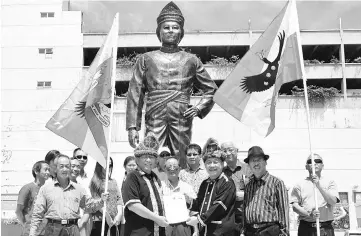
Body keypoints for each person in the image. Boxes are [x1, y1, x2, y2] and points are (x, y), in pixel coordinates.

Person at [126, 1, 218, 168]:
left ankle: (182, 186)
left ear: (181, 32)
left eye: (175, 27)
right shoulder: (146, 59)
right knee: (149, 151)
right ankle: (148, 185)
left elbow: (211, 90)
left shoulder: (191, 59)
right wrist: (132, 126)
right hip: (155, 111)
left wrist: (198, 108)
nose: (170, 30)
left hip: (181, 113)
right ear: (159, 31)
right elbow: (135, 94)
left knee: (182, 155)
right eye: (166, 27)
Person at [29, 154, 109, 236]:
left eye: (67, 166)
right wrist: (32, 234)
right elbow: (37, 214)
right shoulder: (46, 189)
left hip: (73, 229)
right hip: (53, 229)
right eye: (61, 166)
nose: (64, 169)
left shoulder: (78, 189)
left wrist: (101, 201)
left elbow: (89, 206)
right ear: (56, 169)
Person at [122, 133, 168, 236]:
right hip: (139, 232)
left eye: (151, 157)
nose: (148, 160)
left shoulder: (155, 177)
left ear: (156, 160)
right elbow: (133, 205)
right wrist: (157, 219)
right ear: (137, 159)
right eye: (145, 157)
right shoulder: (132, 177)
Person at [186, 150, 237, 236]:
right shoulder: (204, 183)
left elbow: (219, 206)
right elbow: (199, 203)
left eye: (215, 162)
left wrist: (199, 220)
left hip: (220, 231)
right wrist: (187, 201)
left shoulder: (227, 182)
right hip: (205, 231)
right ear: (205, 165)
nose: (212, 165)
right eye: (209, 162)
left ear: (222, 164)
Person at [243, 146, 289, 236]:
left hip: (269, 231)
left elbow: (284, 210)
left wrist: (284, 232)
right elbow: (245, 209)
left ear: (265, 162)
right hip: (250, 231)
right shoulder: (248, 186)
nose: (256, 163)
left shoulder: (277, 183)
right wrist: (243, 230)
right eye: (252, 161)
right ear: (249, 165)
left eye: (259, 160)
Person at [290, 154, 340, 236]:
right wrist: (308, 214)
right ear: (306, 167)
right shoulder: (299, 185)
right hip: (306, 228)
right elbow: (295, 206)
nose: (314, 163)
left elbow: (333, 201)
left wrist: (319, 186)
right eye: (310, 162)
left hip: (325, 228)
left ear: (322, 165)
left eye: (318, 161)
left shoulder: (330, 182)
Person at [221, 142, 252, 234]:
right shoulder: (220, 172)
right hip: (227, 217)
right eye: (224, 151)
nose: (228, 153)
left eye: (231, 150)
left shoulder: (248, 168)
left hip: (246, 215)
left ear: (237, 151)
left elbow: (256, 189)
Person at [161, 157, 197, 236]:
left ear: (180, 168)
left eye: (175, 167)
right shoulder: (160, 187)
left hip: (184, 226)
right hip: (166, 226)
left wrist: (196, 230)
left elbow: (194, 209)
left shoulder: (187, 187)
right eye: (169, 167)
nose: (172, 169)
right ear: (164, 169)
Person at [90, 157, 123, 236]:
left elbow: (119, 199)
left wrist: (119, 214)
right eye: (105, 164)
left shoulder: (113, 181)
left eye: (110, 165)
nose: (108, 167)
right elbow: (95, 200)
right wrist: (107, 216)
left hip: (115, 220)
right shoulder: (95, 181)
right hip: (100, 220)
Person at [16, 161, 50, 236]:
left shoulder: (48, 190)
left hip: (46, 231)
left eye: (49, 170)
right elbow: (18, 211)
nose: (48, 172)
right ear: (36, 171)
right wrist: (25, 225)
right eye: (45, 169)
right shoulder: (27, 188)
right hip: (31, 232)